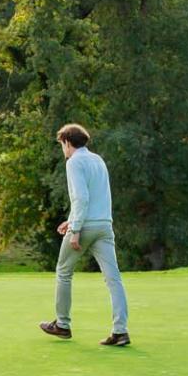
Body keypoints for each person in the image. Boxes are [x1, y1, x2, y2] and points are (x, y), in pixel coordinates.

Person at [39, 124, 131, 346]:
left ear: (68, 142)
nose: (63, 149)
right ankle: (120, 331)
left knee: (63, 271)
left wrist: (75, 230)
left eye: (62, 145)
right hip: (104, 226)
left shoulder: (74, 162)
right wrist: (71, 221)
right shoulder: (98, 160)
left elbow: (81, 198)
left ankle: (62, 324)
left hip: (86, 227)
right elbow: (95, 196)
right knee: (113, 278)